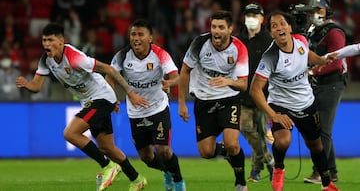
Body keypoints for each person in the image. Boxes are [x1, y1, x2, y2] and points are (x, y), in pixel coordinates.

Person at [15, 23, 148, 191]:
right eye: (44, 40)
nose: (47, 44)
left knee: (70, 133)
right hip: (90, 101)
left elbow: (108, 69)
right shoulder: (46, 60)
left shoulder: (74, 57)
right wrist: (26, 84)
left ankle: (108, 166)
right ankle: (137, 179)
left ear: (61, 41)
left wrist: (129, 93)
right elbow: (37, 86)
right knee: (107, 147)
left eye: (50, 40)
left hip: (101, 97)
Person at [249, 10, 340, 191]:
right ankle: (279, 168)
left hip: (306, 103)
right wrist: (273, 115)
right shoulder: (270, 56)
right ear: (271, 33)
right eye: (274, 26)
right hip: (281, 105)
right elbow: (255, 90)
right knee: (283, 141)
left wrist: (321, 60)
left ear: (289, 27)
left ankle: (326, 183)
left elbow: (306, 54)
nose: (279, 28)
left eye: (282, 23)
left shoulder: (301, 41)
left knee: (316, 145)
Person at [107, 19, 186, 191]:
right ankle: (167, 171)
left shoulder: (160, 55)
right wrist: (112, 98)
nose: (136, 38)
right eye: (133, 34)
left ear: (150, 38)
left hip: (158, 108)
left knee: (163, 150)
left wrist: (169, 84)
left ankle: (178, 181)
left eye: (140, 34)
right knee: (147, 158)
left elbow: (177, 76)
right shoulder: (121, 56)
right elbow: (110, 76)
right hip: (135, 113)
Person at [178, 10, 249, 191]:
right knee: (206, 152)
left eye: (221, 27)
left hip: (228, 99)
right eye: (213, 27)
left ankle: (240, 182)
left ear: (230, 29)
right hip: (203, 100)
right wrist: (181, 102)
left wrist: (228, 82)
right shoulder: (199, 43)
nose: (216, 31)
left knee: (232, 143)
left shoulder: (239, 48)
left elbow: (243, 85)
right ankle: (229, 155)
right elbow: (185, 71)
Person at [303, 0, 347, 184]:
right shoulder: (311, 31)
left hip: (332, 83)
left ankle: (320, 172)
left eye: (318, 11)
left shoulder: (334, 32)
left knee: (322, 131)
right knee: (322, 130)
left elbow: (336, 64)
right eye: (312, 11)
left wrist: (311, 72)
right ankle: (332, 171)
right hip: (320, 83)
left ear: (327, 11)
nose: (315, 14)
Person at [237, 2, 274, 182]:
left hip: (263, 97)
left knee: (259, 132)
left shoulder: (269, 40)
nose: (251, 19)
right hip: (242, 96)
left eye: (255, 15)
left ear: (262, 19)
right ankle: (269, 160)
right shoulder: (237, 40)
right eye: (248, 15)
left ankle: (255, 172)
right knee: (246, 129)